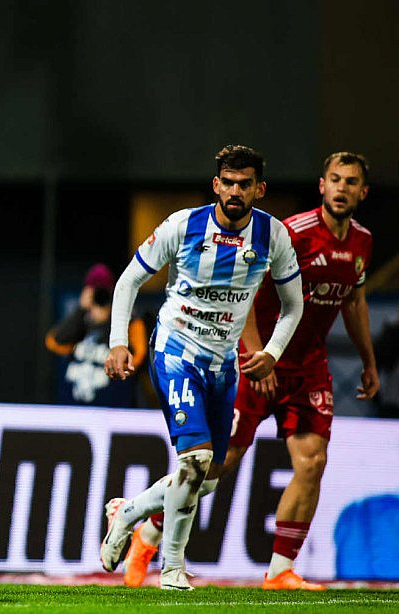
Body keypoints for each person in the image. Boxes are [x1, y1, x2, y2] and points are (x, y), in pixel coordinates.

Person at [120, 152, 376, 591]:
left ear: (362, 192)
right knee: (214, 468)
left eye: (351, 182)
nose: (342, 188)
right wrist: (260, 353)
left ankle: (279, 571)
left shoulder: (362, 242)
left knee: (312, 461)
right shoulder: (292, 232)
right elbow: (247, 289)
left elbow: (352, 301)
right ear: (321, 185)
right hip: (255, 363)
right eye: (335, 179)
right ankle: (148, 530)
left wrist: (368, 360)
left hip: (308, 366)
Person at [100, 145, 304, 590]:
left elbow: (293, 306)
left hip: (223, 366)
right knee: (195, 461)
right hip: (174, 351)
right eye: (227, 182)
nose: (235, 191)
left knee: (204, 480)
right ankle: (172, 568)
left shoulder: (274, 237)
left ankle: (128, 511)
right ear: (216, 185)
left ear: (259, 189)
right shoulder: (183, 225)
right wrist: (118, 344)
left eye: (244, 184)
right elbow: (129, 280)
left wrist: (272, 350)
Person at [46, 263, 148, 406]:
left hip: (112, 411)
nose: (99, 300)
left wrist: (111, 320)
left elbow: (135, 359)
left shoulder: (129, 322)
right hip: (75, 410)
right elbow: (55, 342)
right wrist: (81, 310)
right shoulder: (81, 322)